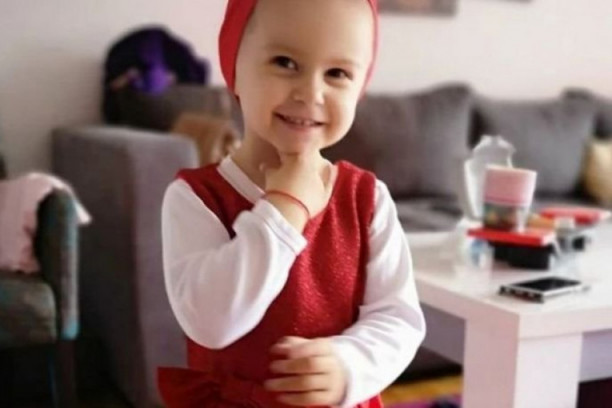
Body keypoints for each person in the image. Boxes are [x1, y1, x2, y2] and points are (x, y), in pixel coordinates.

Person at [158, 0, 426, 407]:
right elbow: (211, 323)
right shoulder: (195, 197)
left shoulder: (368, 200)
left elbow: (399, 318)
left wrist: (348, 364)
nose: (311, 93)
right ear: (235, 69)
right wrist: (284, 209)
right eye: (285, 63)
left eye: (337, 73)